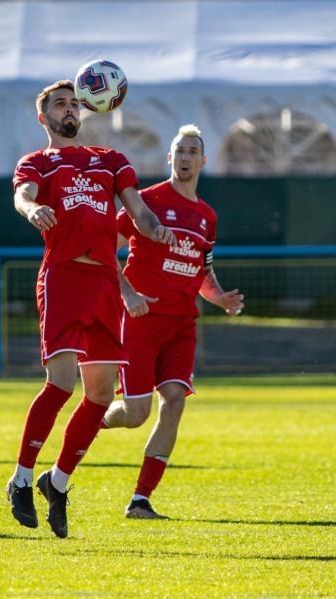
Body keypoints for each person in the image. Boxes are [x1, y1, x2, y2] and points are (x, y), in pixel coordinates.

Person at [5, 80, 176, 539]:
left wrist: (154, 227)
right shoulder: (37, 161)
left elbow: (138, 211)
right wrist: (31, 209)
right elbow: (23, 194)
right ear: (43, 117)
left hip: (103, 283)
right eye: (59, 104)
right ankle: (21, 478)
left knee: (99, 396)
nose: (69, 109)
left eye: (73, 103)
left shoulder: (110, 160)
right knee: (61, 383)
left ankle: (57, 482)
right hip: (63, 276)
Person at [99, 124, 245, 519]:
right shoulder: (145, 202)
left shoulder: (207, 217)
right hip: (142, 320)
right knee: (135, 415)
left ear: (203, 161)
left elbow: (203, 273)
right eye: (179, 150)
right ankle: (92, 419)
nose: (185, 157)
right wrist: (128, 294)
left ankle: (140, 500)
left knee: (175, 401)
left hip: (182, 325)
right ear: (170, 158)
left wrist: (221, 298)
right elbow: (102, 250)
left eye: (192, 151)